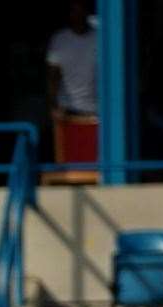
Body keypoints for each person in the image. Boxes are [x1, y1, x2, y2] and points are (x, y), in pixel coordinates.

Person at [46, 2, 99, 180]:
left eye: (81, 10)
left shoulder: (100, 39)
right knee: (70, 160)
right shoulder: (60, 40)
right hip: (68, 111)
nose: (78, 15)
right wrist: (53, 106)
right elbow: (53, 75)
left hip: (97, 111)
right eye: (74, 10)